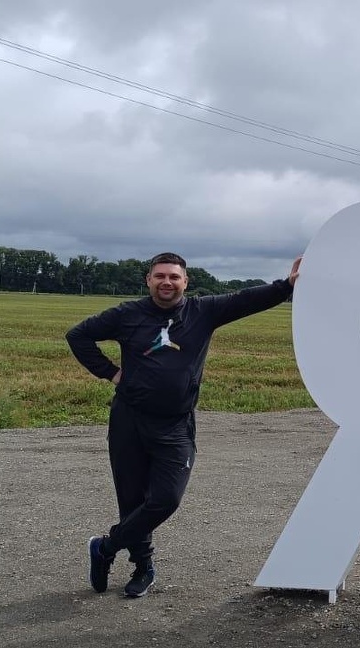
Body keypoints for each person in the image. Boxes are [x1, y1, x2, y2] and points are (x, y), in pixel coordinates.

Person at [66, 251, 301, 597]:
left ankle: (105, 547)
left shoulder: (202, 312)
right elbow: (79, 336)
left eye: (174, 277)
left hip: (175, 424)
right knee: (132, 499)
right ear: (148, 280)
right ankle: (143, 569)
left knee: (166, 498)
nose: (167, 282)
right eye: (159, 276)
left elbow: (244, 300)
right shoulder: (126, 314)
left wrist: (286, 286)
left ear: (185, 282)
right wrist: (113, 373)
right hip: (129, 420)